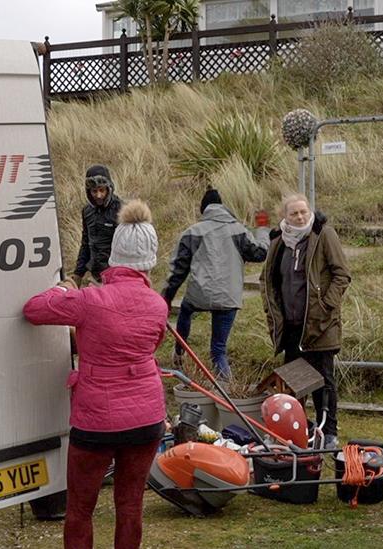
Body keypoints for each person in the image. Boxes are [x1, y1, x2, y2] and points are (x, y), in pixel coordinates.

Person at [24, 200, 167, 549]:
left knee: (80, 509)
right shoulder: (158, 305)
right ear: (150, 258)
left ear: (115, 253)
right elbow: (153, 344)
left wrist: (62, 287)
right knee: (130, 506)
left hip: (97, 420)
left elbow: (33, 310)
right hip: (147, 416)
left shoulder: (89, 299)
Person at [260, 194, 351, 448]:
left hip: (320, 325)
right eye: (294, 213)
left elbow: (342, 274)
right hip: (290, 327)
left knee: (324, 381)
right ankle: (296, 431)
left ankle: (329, 432)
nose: (300, 217)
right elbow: (267, 281)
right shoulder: (278, 240)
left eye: (303, 212)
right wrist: (272, 313)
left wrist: (325, 307)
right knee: (293, 383)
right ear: (285, 216)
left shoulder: (324, 235)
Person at [163, 188, 270, 379]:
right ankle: (226, 394)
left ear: (203, 210)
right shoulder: (238, 230)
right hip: (228, 298)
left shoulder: (192, 232)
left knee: (186, 309)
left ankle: (180, 350)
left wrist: (167, 298)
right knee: (218, 350)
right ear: (223, 208)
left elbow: (177, 271)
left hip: (199, 294)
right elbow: (260, 253)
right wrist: (262, 226)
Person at [71, 165, 123, 287]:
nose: (98, 195)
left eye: (101, 190)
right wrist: (78, 273)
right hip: (95, 275)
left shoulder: (121, 210)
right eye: (94, 191)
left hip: (116, 277)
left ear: (108, 189)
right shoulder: (87, 211)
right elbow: (85, 243)